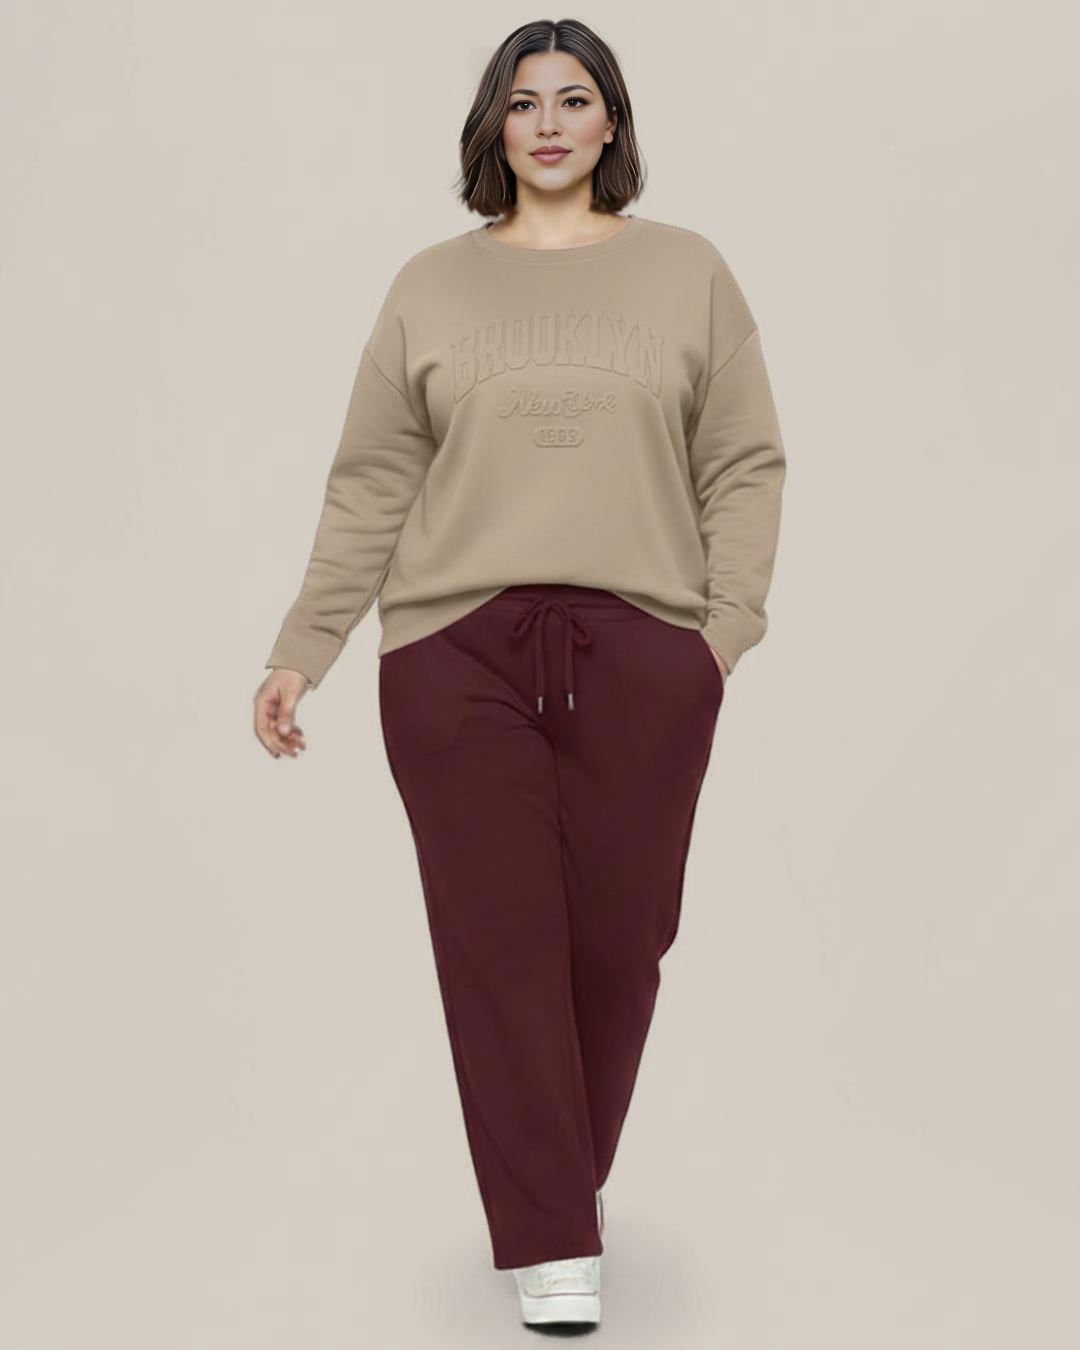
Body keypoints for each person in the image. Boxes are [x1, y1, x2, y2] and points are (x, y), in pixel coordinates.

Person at [253, 17, 786, 1331]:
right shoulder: (431, 287)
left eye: (575, 99)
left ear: (613, 124)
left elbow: (742, 461)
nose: (549, 123)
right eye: (525, 101)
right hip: (457, 652)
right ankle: (555, 1242)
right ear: (495, 124)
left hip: (643, 649)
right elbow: (372, 480)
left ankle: (555, 1181)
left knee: (622, 942)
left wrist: (721, 634)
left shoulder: (689, 273)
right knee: (499, 946)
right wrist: (305, 646)